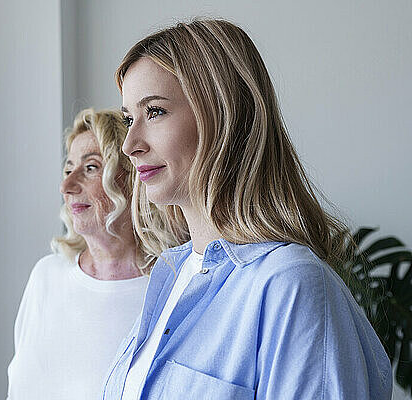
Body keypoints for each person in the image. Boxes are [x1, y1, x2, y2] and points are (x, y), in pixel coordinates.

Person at [102, 19, 392, 399]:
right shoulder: (171, 276)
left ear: (223, 114)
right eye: (128, 119)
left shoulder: (291, 285)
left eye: (154, 112)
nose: (130, 144)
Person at [6, 109, 168, 399]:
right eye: (68, 170)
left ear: (130, 178)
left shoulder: (168, 289)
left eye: (91, 167)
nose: (66, 186)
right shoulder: (46, 276)